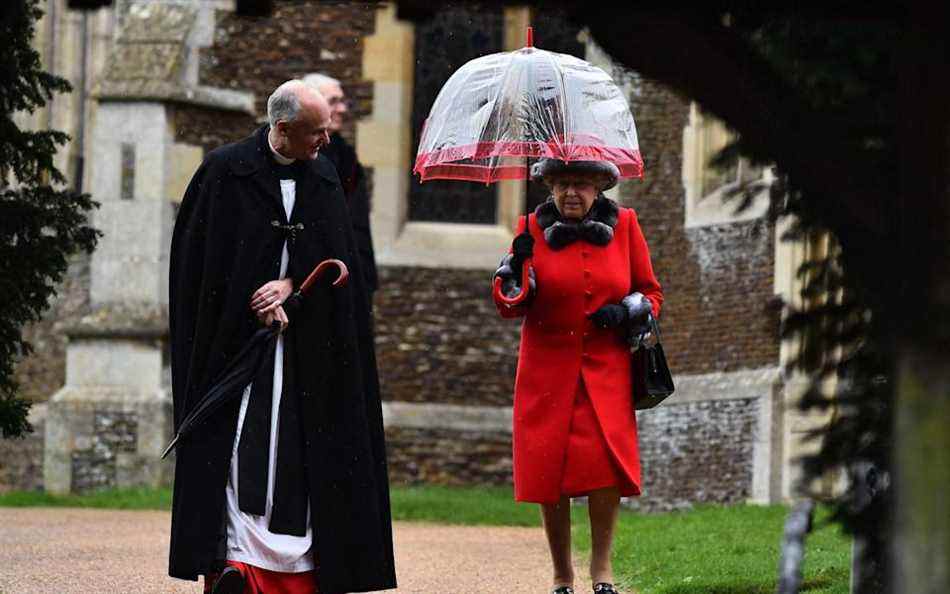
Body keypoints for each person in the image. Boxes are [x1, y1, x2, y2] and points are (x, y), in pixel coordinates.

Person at [168, 80, 396, 594]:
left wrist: (295, 287)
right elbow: (196, 274)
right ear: (283, 128)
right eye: (317, 131)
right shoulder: (225, 173)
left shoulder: (326, 175)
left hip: (309, 359)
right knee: (235, 457)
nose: (327, 139)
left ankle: (300, 574)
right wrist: (250, 302)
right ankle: (236, 565)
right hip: (238, 359)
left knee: (305, 458)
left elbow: (344, 261)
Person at [492, 158, 663, 594]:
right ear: (549, 185)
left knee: (605, 468)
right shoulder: (529, 226)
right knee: (552, 471)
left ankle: (602, 572)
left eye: (582, 184)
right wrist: (517, 266)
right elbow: (510, 304)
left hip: (606, 370)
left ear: (600, 187)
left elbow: (651, 291)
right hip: (546, 371)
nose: (572, 193)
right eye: (563, 183)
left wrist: (626, 310)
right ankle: (561, 576)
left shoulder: (625, 224)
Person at [302, 72, 378, 298]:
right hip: (312, 278)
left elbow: (356, 223)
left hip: (349, 276)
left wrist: (364, 278)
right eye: (334, 101)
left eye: (342, 101)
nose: (343, 109)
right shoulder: (299, 157)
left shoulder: (346, 158)